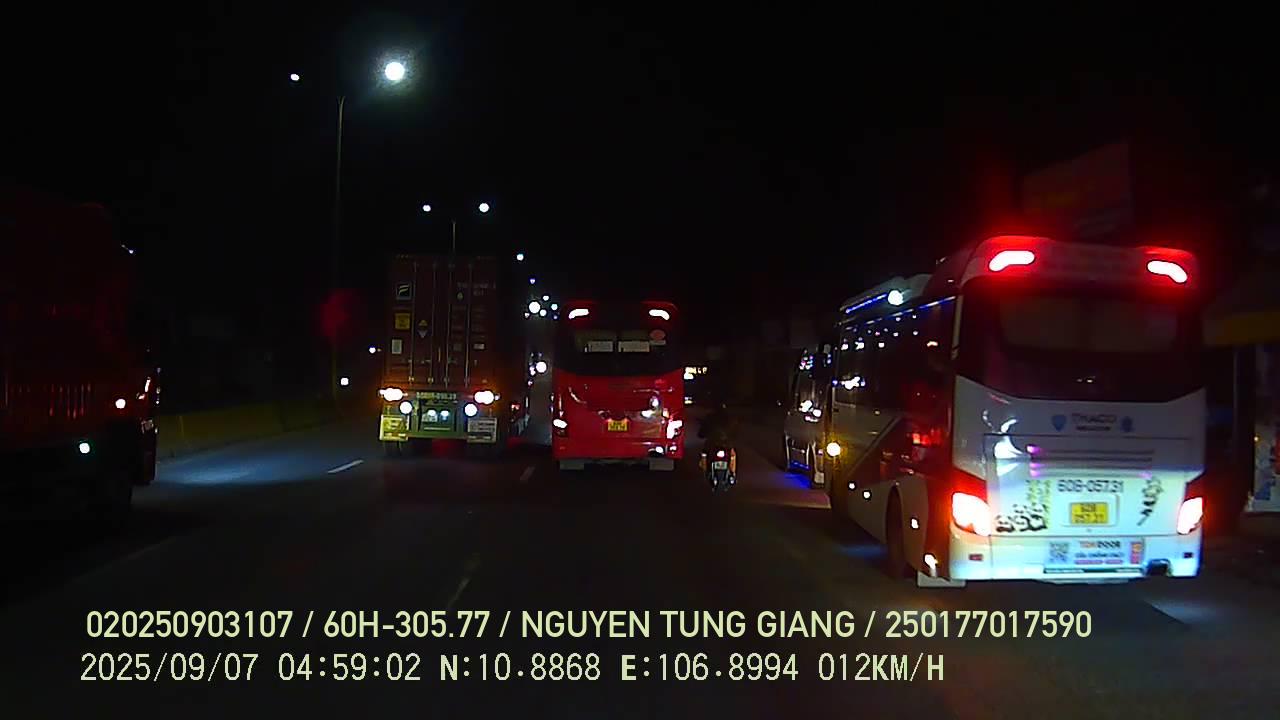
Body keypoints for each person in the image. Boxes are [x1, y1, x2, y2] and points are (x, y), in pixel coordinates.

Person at [697, 401, 738, 475]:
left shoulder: (710, 418)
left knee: (704, 453)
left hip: (713, 443)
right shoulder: (729, 419)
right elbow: (735, 431)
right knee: (732, 455)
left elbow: (702, 430)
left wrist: (701, 434)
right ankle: (732, 473)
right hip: (725, 444)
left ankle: (705, 470)